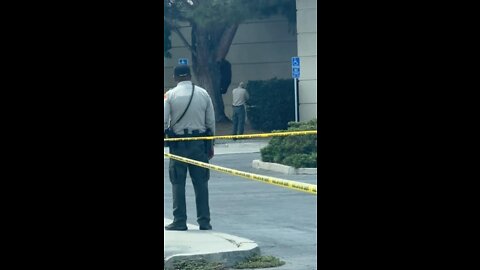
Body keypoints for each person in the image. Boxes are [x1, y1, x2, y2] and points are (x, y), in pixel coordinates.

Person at [164, 65, 215, 231]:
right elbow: (211, 122)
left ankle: (179, 220)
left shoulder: (170, 95)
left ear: (175, 77)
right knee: (201, 183)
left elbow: (164, 121)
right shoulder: (203, 93)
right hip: (199, 144)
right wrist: (210, 144)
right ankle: (204, 221)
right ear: (190, 76)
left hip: (178, 144)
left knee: (178, 183)